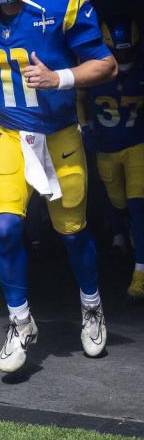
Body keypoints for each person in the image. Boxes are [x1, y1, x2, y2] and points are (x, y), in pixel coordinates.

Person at [0, 0, 118, 373]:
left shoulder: (63, 5)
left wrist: (59, 78)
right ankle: (20, 321)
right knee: (5, 228)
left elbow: (107, 63)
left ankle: (91, 306)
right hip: (7, 132)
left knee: (72, 229)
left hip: (58, 133)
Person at [83, 18, 144, 298]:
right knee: (119, 203)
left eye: (128, 52)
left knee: (138, 206)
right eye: (118, 53)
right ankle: (123, 233)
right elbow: (77, 95)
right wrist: (85, 127)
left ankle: (140, 273)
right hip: (106, 148)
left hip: (136, 144)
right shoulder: (95, 70)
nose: (123, 58)